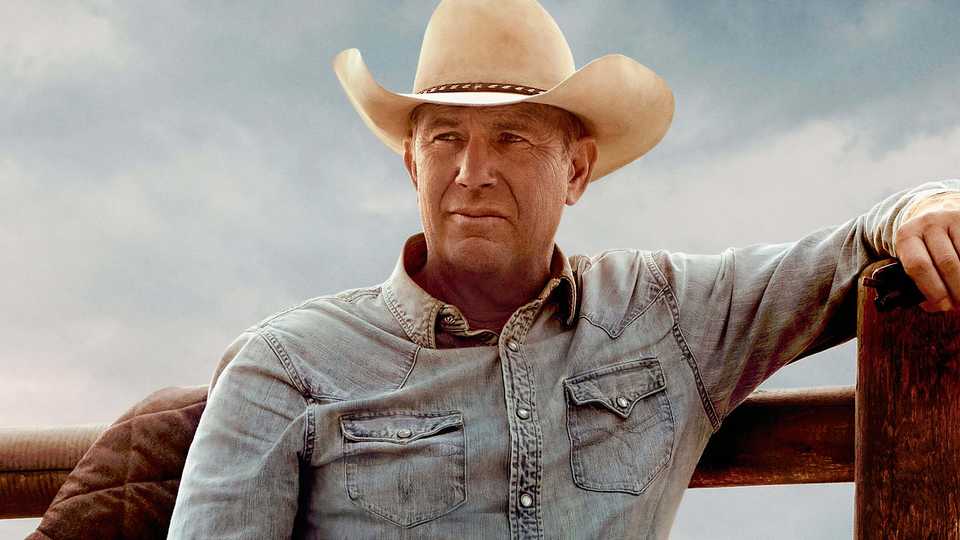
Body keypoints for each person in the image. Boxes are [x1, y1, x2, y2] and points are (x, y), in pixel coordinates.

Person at [168, 1, 960, 538]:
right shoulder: (287, 366)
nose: (472, 172)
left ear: (575, 170)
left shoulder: (664, 313)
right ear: (412, 163)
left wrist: (927, 206)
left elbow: (847, 253)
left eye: (511, 138)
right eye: (446, 139)